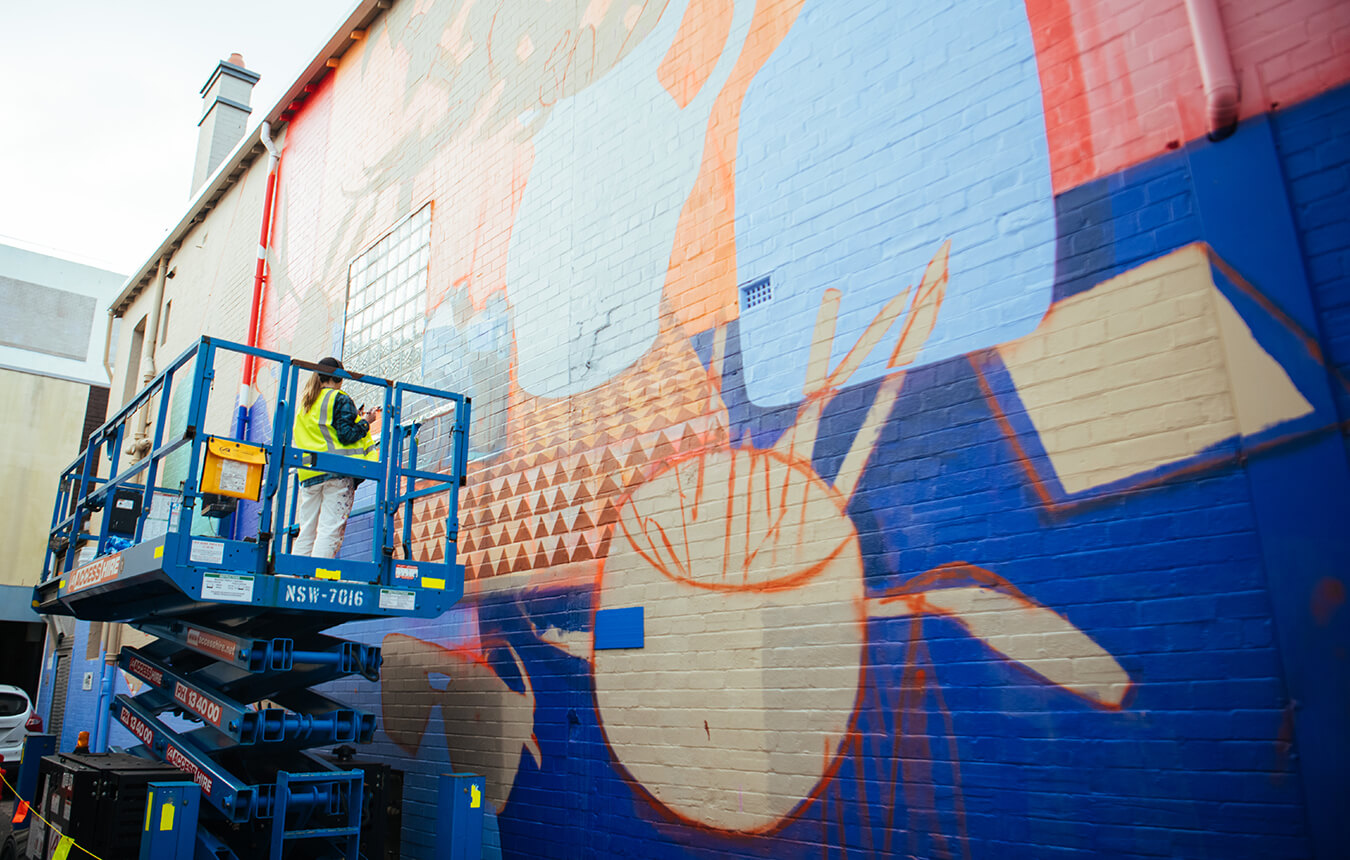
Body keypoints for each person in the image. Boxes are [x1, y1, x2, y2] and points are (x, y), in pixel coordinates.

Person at [291, 357, 380, 558]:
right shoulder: (339, 398)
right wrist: (366, 422)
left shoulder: (306, 403)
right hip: (336, 472)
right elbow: (346, 435)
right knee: (329, 529)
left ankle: (296, 572)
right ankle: (318, 574)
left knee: (307, 529)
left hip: (309, 474)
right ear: (338, 377)